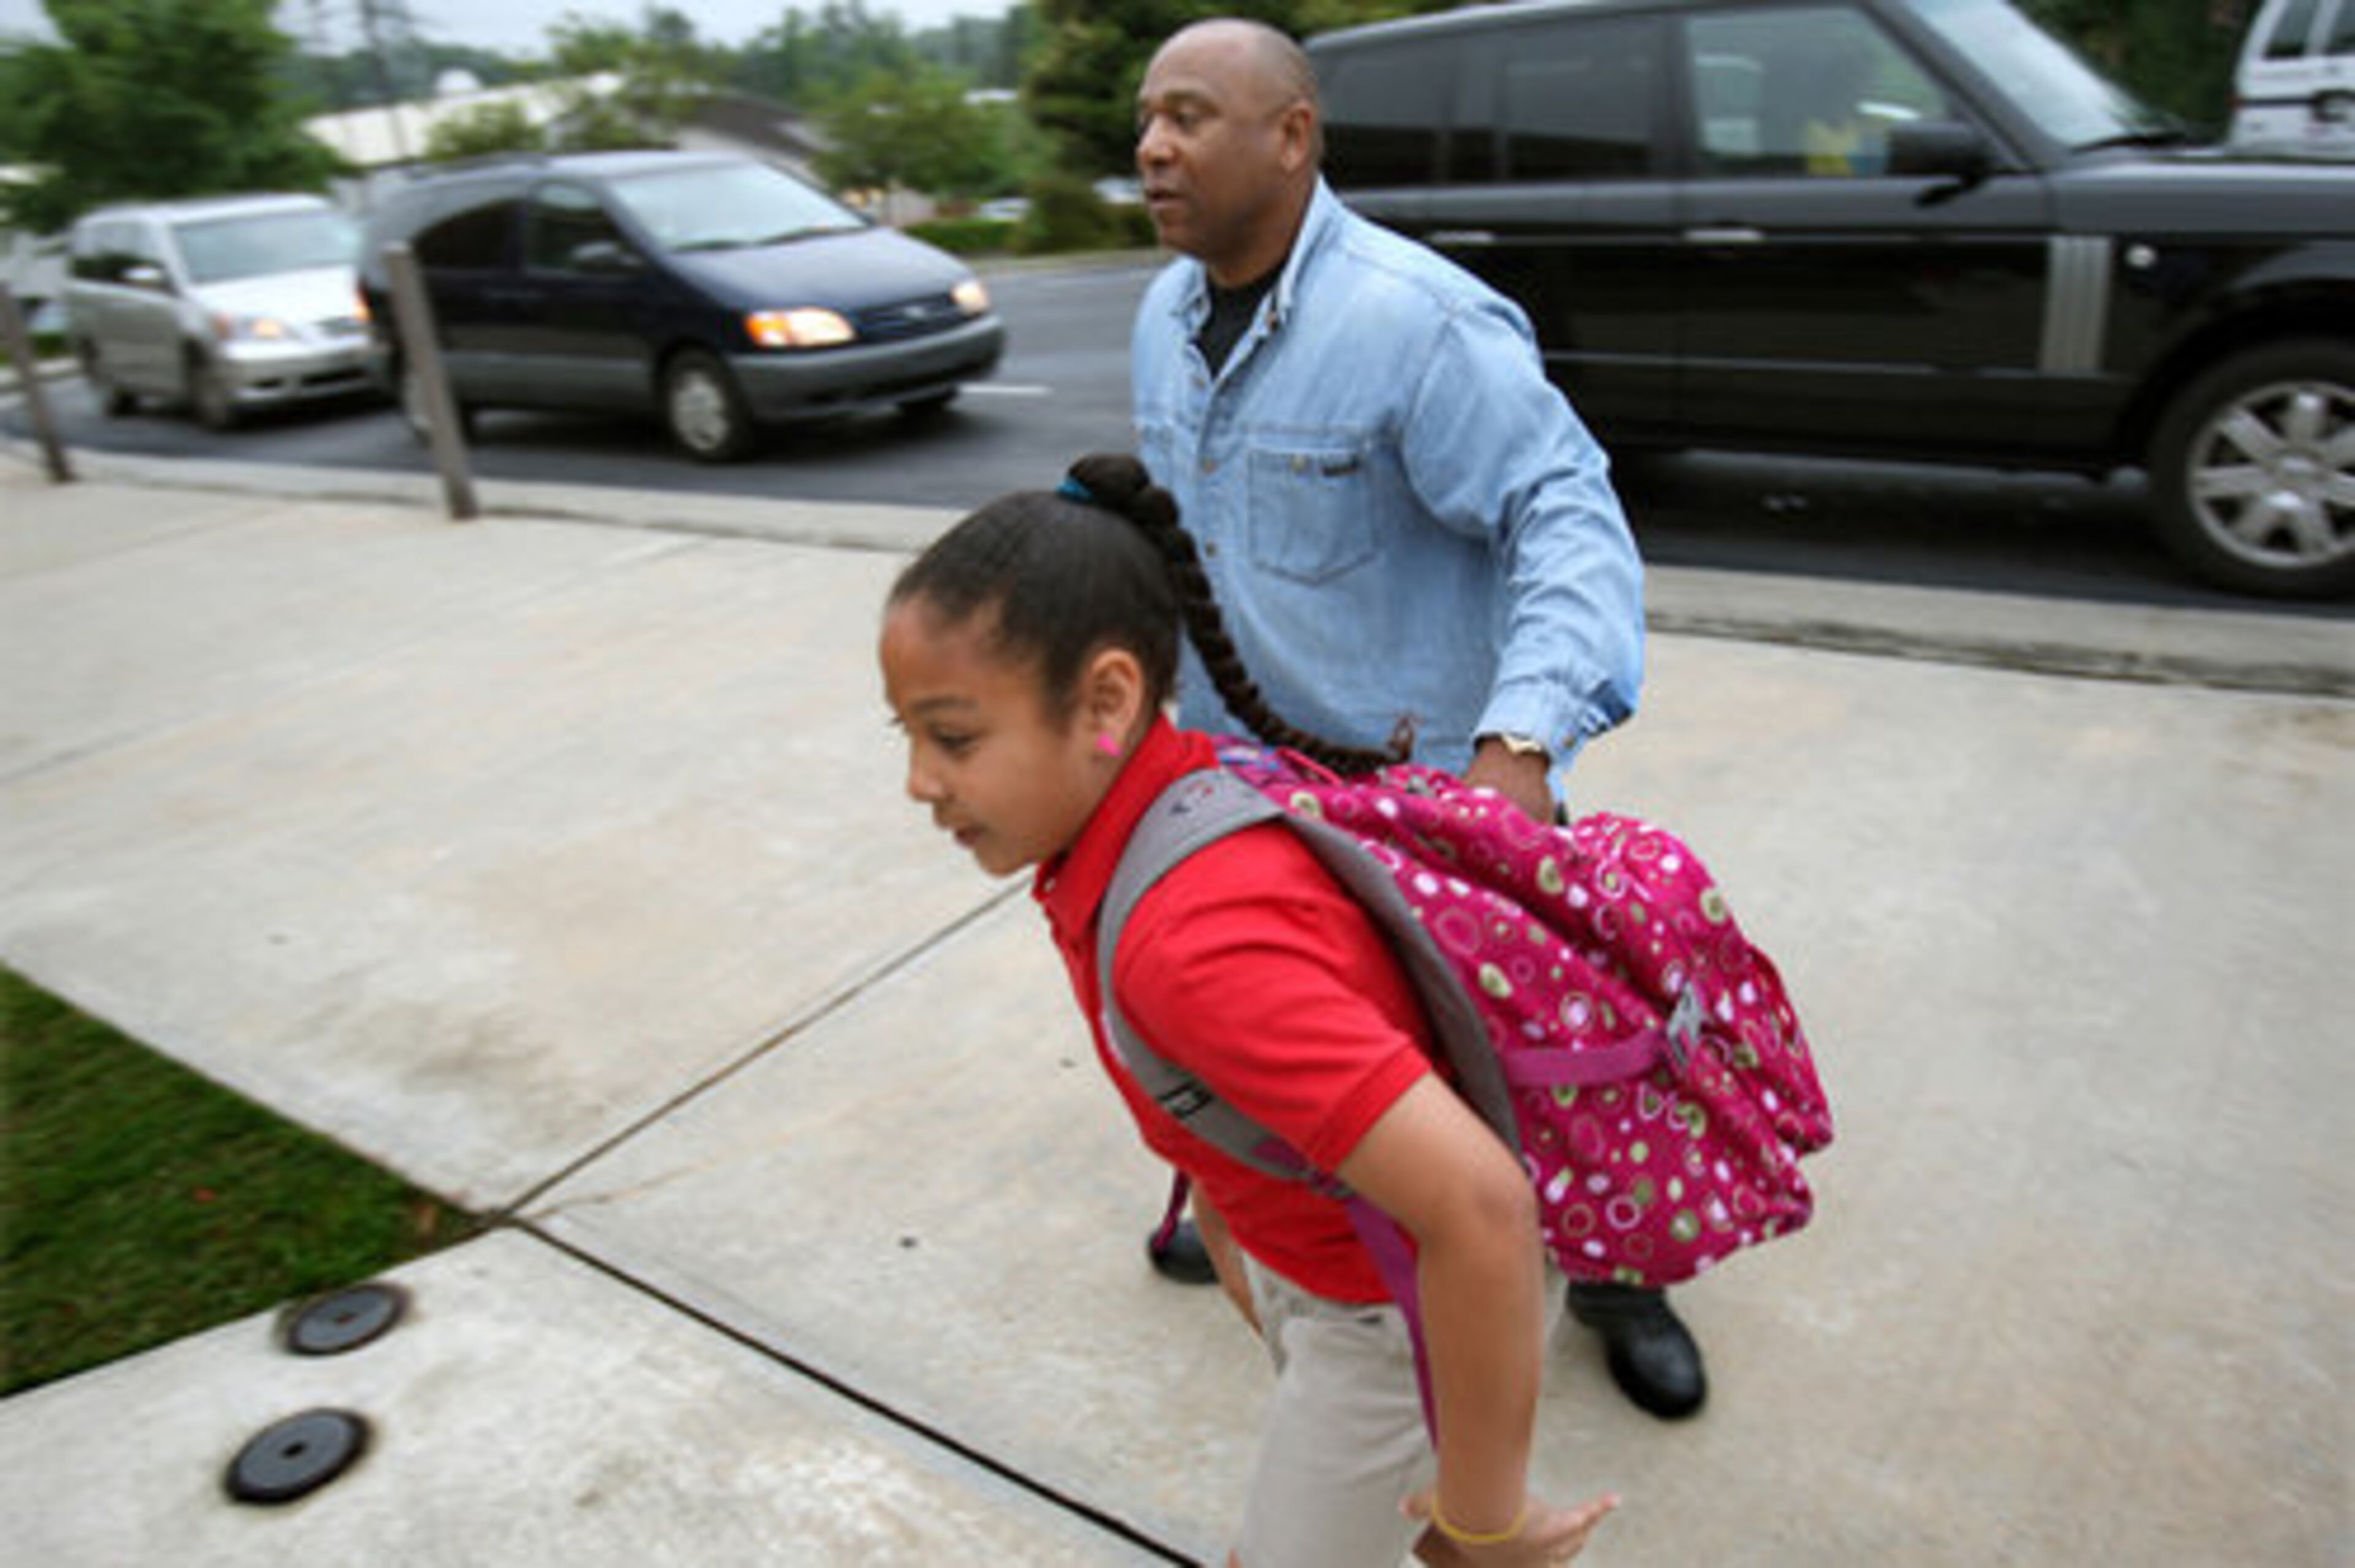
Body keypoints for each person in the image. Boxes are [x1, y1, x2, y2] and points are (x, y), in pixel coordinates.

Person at [879, 453, 1620, 1568]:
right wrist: (1239, 1237)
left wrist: (1483, 1520)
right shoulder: (1161, 803)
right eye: (904, 735)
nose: (919, 781)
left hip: (1389, 1316)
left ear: (1109, 703)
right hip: (1336, 1279)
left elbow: (1481, 1211)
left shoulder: (1191, 941)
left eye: (954, 737)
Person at [1126, 18, 1705, 1420]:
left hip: (1440, 810)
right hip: (1253, 800)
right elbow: (1181, 548)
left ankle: (1617, 1268)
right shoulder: (1161, 320)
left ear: (1293, 135)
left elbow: (1564, 516)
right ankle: (1264, 1200)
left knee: (1538, 1075)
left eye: (1191, 116)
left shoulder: (1417, 322)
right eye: (1146, 118)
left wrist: (1520, 748)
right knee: (1292, 1052)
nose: (1152, 148)